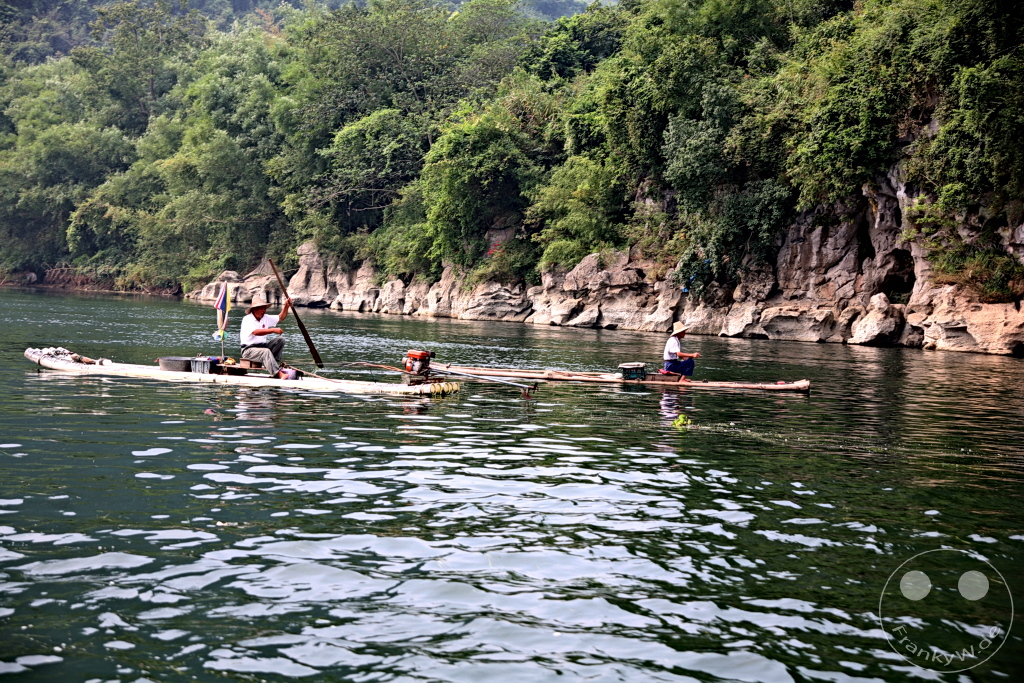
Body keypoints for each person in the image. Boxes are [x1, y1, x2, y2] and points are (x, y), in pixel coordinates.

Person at [239, 293, 291, 376]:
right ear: (254, 310)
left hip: (262, 347)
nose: (264, 311)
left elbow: (280, 318)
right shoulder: (247, 319)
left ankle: (273, 364)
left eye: (264, 308)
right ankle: (279, 374)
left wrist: (286, 306)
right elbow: (255, 332)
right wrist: (272, 330)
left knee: (280, 340)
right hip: (248, 350)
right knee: (265, 352)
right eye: (261, 308)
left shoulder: (265, 317)